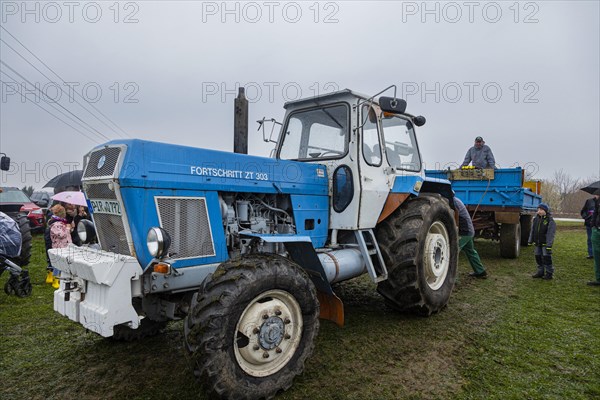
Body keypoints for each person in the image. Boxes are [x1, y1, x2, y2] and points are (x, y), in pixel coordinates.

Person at [454, 196, 487, 278]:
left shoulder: (454, 202)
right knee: (471, 251)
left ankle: (453, 278)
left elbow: (456, 217)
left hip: (465, 232)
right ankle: (480, 272)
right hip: (469, 230)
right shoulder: (456, 200)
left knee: (453, 251)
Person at [46, 204, 72, 288]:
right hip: (58, 247)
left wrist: (70, 228)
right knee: (57, 264)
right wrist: (67, 229)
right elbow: (61, 234)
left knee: (62, 263)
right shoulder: (55, 224)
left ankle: (59, 278)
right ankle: (55, 280)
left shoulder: (61, 223)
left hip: (64, 246)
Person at [529, 203, 556, 280]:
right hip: (537, 243)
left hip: (545, 243)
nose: (539, 211)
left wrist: (549, 245)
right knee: (538, 257)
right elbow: (532, 230)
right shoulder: (536, 219)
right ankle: (540, 271)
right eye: (538, 210)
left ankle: (549, 273)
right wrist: (530, 240)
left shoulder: (549, 220)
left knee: (546, 258)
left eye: (541, 210)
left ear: (545, 211)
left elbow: (551, 234)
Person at [587, 194, 600, 286]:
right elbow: (595, 213)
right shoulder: (597, 202)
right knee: (597, 255)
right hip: (597, 230)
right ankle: (598, 279)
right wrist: (593, 225)